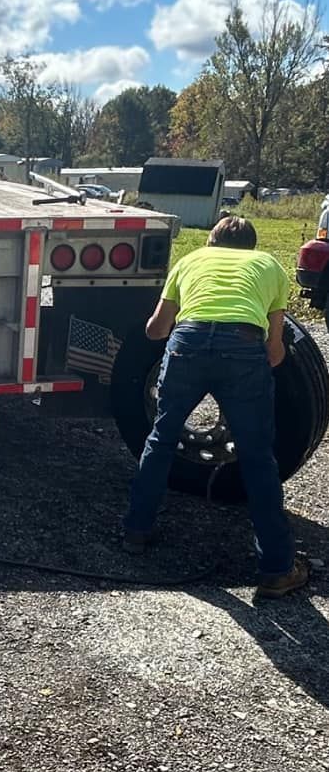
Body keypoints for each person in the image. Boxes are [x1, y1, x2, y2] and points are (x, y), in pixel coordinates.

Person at [122, 214, 310, 600]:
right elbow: (275, 351)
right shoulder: (270, 267)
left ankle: (136, 531)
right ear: (252, 247)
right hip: (244, 345)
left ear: (211, 241)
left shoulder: (190, 262)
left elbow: (156, 329)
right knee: (257, 456)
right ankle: (277, 569)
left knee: (161, 440)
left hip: (187, 342)